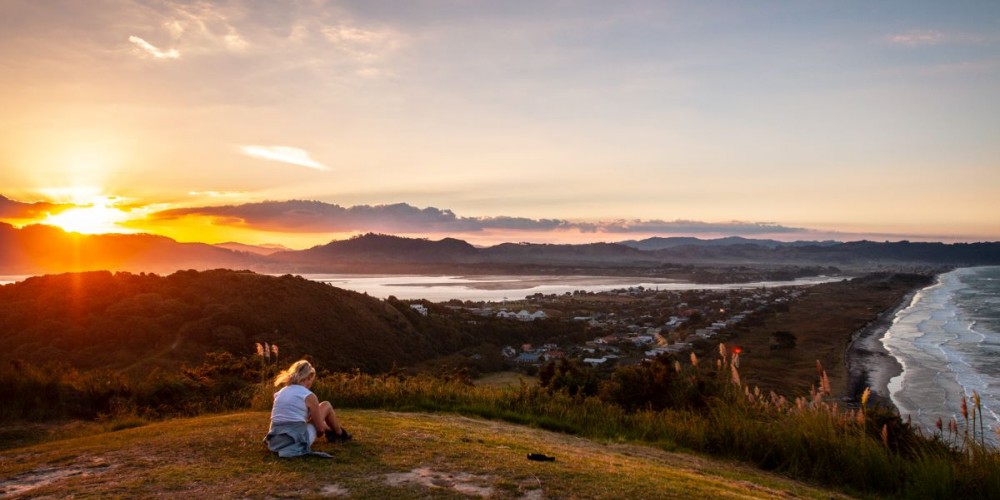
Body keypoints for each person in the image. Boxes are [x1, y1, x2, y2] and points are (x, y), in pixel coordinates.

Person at [263, 359, 351, 458]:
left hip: (275, 442)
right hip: (294, 441)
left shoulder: (280, 393)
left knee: (311, 419)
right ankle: (339, 434)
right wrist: (318, 427)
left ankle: (332, 432)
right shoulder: (309, 396)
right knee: (326, 405)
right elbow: (320, 431)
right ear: (309, 377)